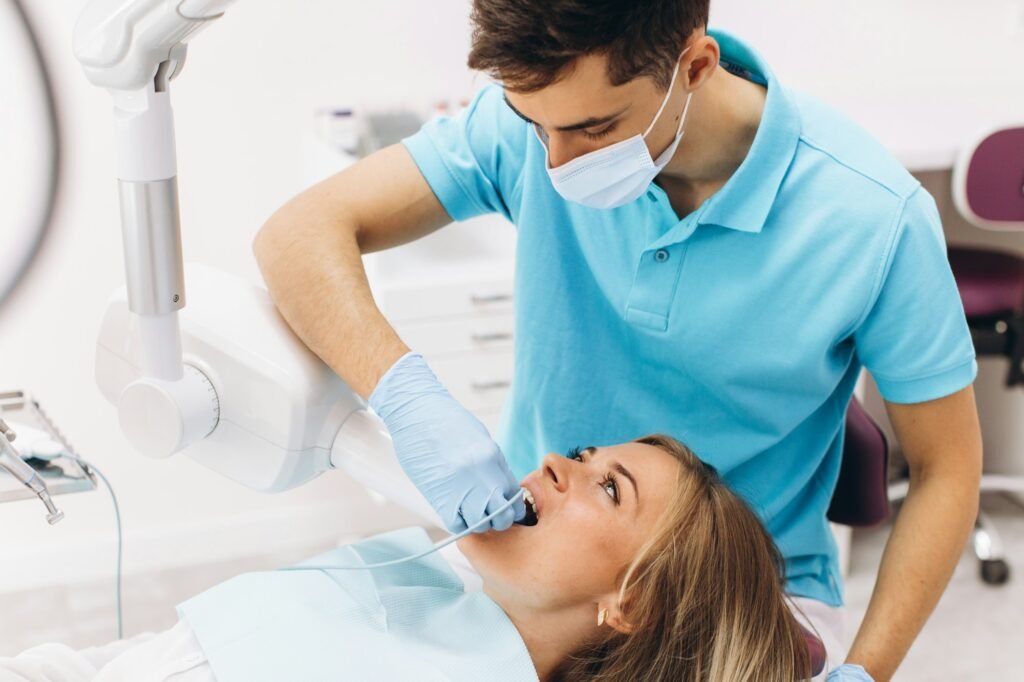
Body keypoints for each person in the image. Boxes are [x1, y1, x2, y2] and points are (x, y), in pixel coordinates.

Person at [252, 2, 984, 680]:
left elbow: (947, 469)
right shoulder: (532, 125)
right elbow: (298, 235)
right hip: (542, 552)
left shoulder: (873, 220)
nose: (555, 164)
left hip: (747, 599)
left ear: (694, 66)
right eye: (534, 123)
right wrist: (406, 395)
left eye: (595, 129)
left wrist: (867, 671)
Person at [1, 436, 838, 681]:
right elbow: (172, 650)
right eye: (583, 452)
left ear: (631, 605)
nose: (555, 463)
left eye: (608, 489)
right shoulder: (418, 570)